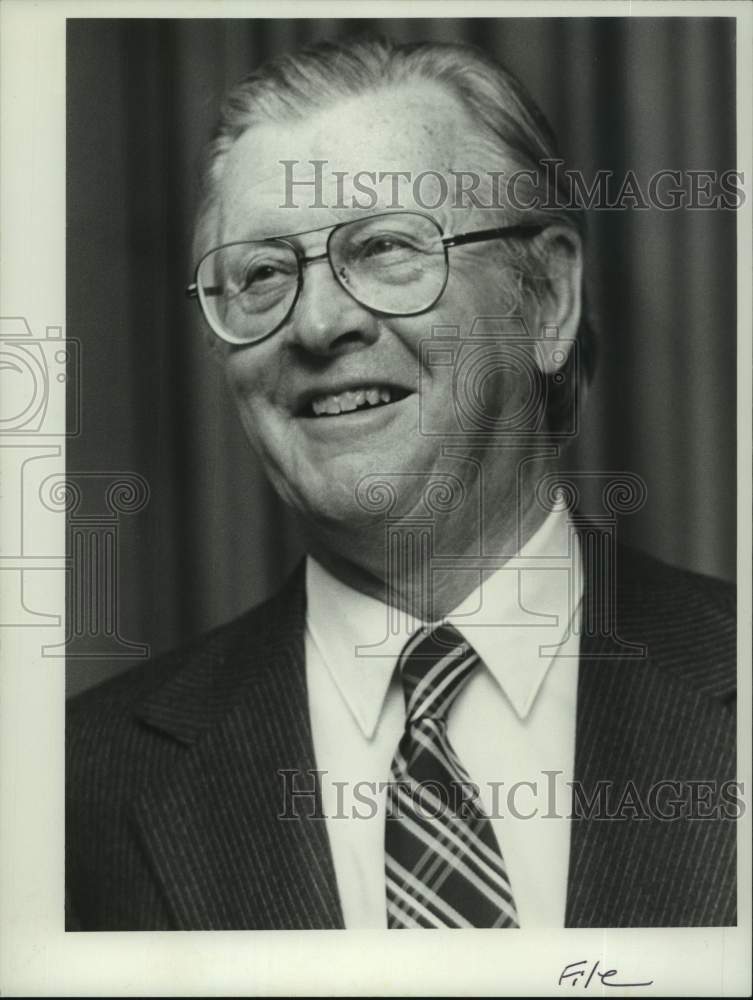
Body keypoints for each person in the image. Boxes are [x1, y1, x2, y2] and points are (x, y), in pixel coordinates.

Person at [66, 36, 737, 931]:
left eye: (385, 247)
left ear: (545, 300)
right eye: (262, 274)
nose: (317, 322)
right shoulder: (71, 791)